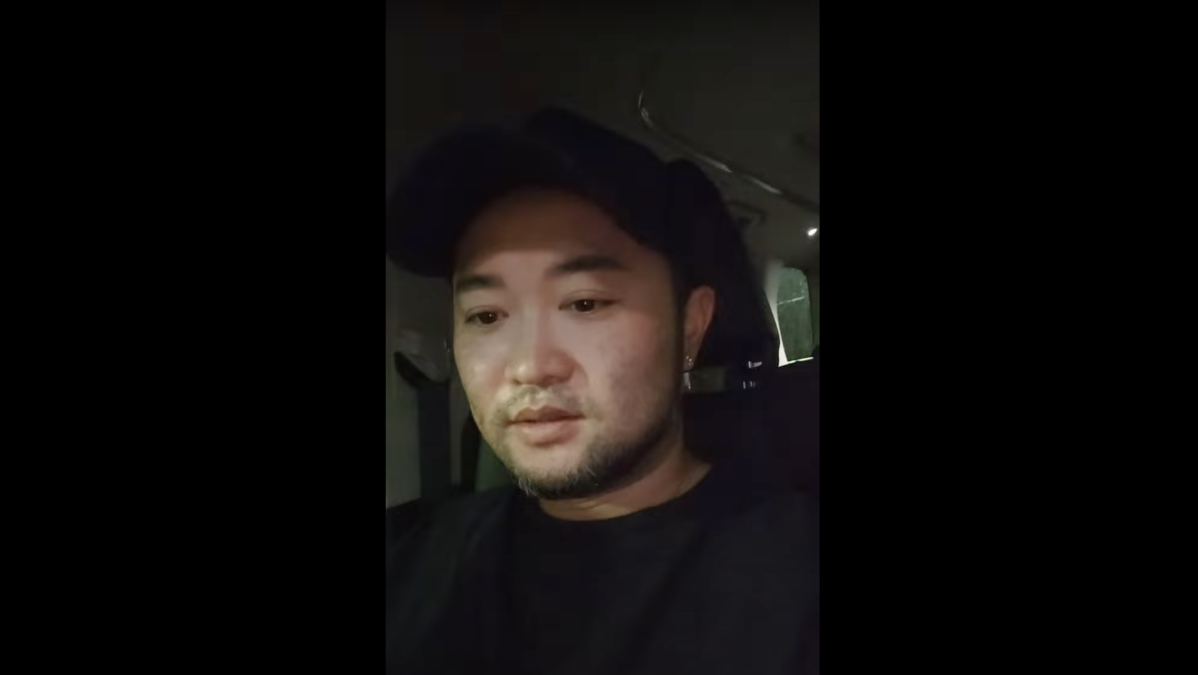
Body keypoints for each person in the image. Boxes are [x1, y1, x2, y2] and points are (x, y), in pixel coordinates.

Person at [385, 108, 819, 674]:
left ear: (690, 326)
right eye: (486, 315)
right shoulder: (417, 556)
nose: (530, 366)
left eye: (585, 303)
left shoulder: (795, 576)